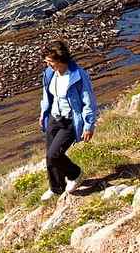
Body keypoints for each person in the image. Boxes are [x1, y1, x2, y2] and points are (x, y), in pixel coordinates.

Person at [38, 40, 99, 201]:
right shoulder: (50, 73)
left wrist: (89, 125)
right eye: (47, 61)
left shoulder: (78, 75)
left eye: (50, 61)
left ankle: (76, 174)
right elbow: (47, 96)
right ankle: (56, 188)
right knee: (49, 156)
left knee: (54, 155)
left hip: (71, 121)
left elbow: (88, 101)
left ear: (60, 59)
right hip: (54, 118)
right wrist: (43, 113)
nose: (48, 64)